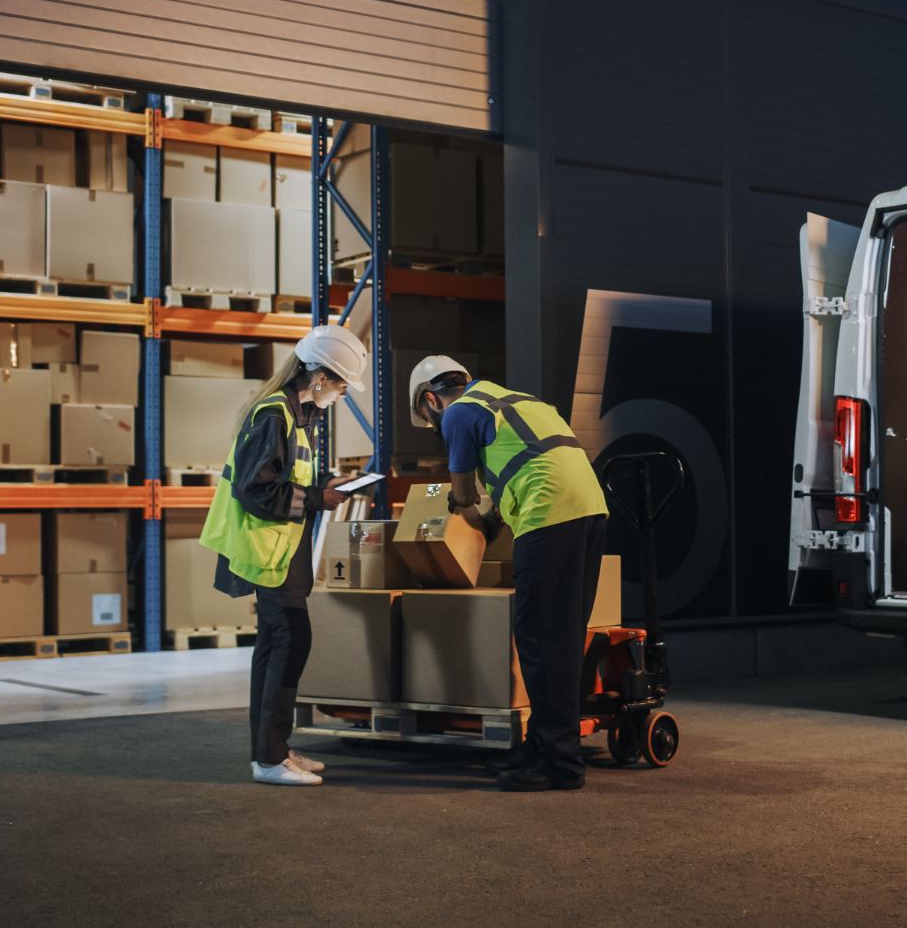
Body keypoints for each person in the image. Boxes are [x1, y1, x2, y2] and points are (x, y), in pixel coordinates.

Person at [408, 355, 610, 792]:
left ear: (430, 399)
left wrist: (462, 512)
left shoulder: (458, 412)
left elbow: (462, 493)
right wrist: (496, 519)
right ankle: (545, 744)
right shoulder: (509, 400)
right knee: (563, 635)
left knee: (540, 636)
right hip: (589, 509)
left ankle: (560, 762)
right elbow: (524, 463)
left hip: (548, 513)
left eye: (428, 416)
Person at [202, 324, 369, 787]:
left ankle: (271, 749)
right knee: (289, 641)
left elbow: (285, 476)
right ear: (318, 375)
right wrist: (319, 498)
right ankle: (270, 759)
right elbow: (256, 489)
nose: (339, 394)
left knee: (277, 646)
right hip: (266, 549)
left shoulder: (297, 415)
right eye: (339, 385)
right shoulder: (274, 415)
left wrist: (325, 487)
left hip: (283, 547)